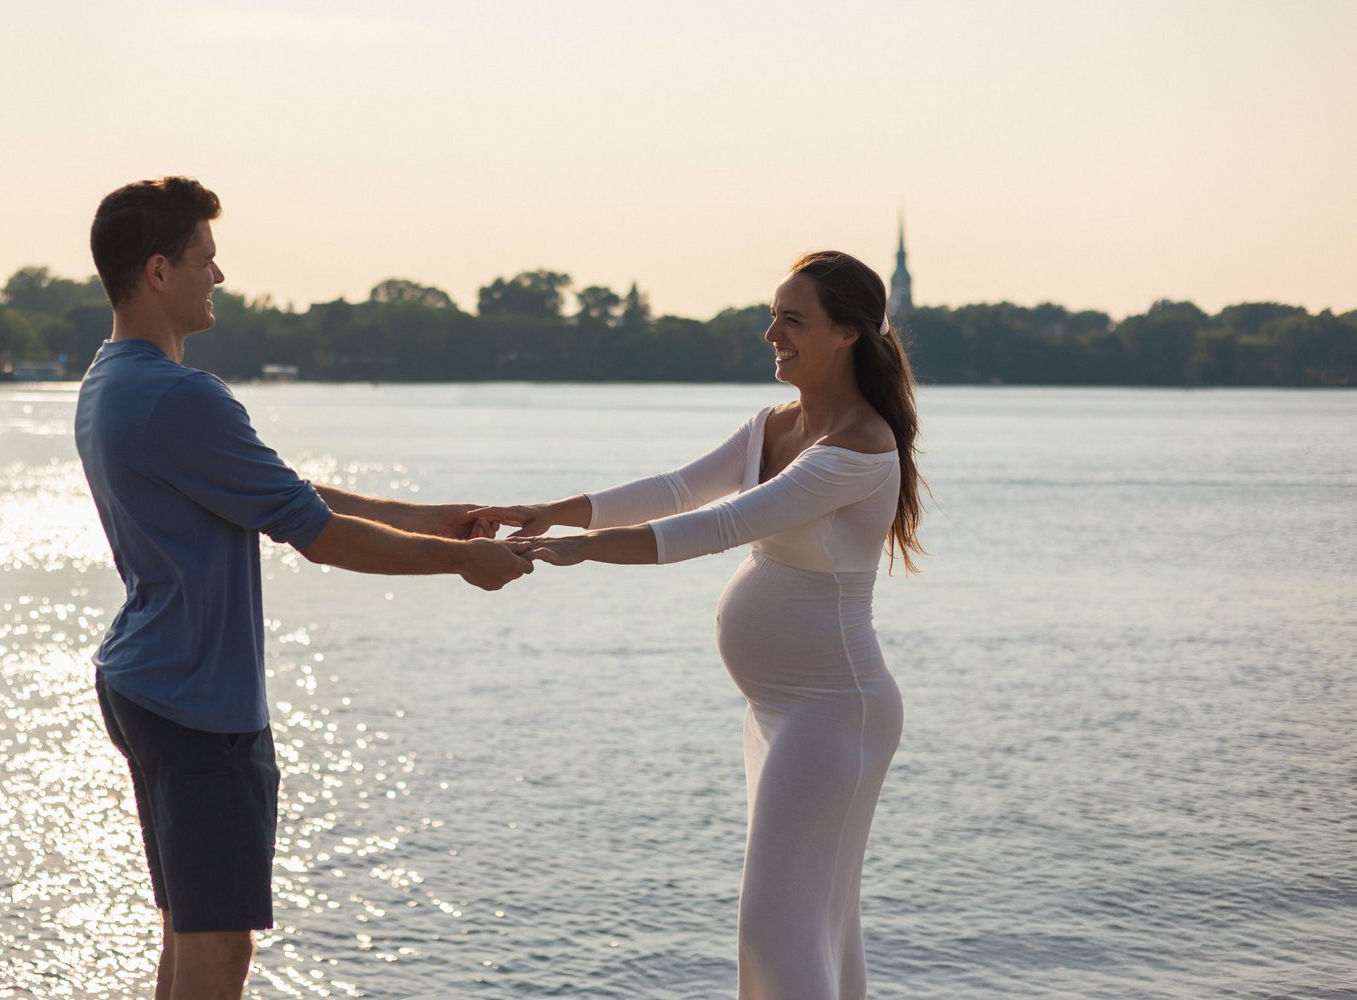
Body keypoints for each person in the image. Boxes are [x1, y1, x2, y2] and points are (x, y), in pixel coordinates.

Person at [74, 176, 533, 1000]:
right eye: (205, 259)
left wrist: (428, 519)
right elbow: (316, 534)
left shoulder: (112, 380)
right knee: (219, 948)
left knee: (190, 929)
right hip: (196, 702)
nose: (219, 276)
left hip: (150, 681)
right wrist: (460, 561)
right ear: (158, 271)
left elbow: (281, 491)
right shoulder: (181, 395)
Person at [473, 250, 925, 1000]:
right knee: (817, 924)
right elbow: (677, 489)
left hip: (834, 712)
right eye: (773, 316)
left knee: (776, 928)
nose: (772, 334)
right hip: (778, 710)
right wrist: (552, 512)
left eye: (792, 320)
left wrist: (578, 550)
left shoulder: (858, 448)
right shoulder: (774, 425)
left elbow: (717, 526)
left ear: (847, 333)